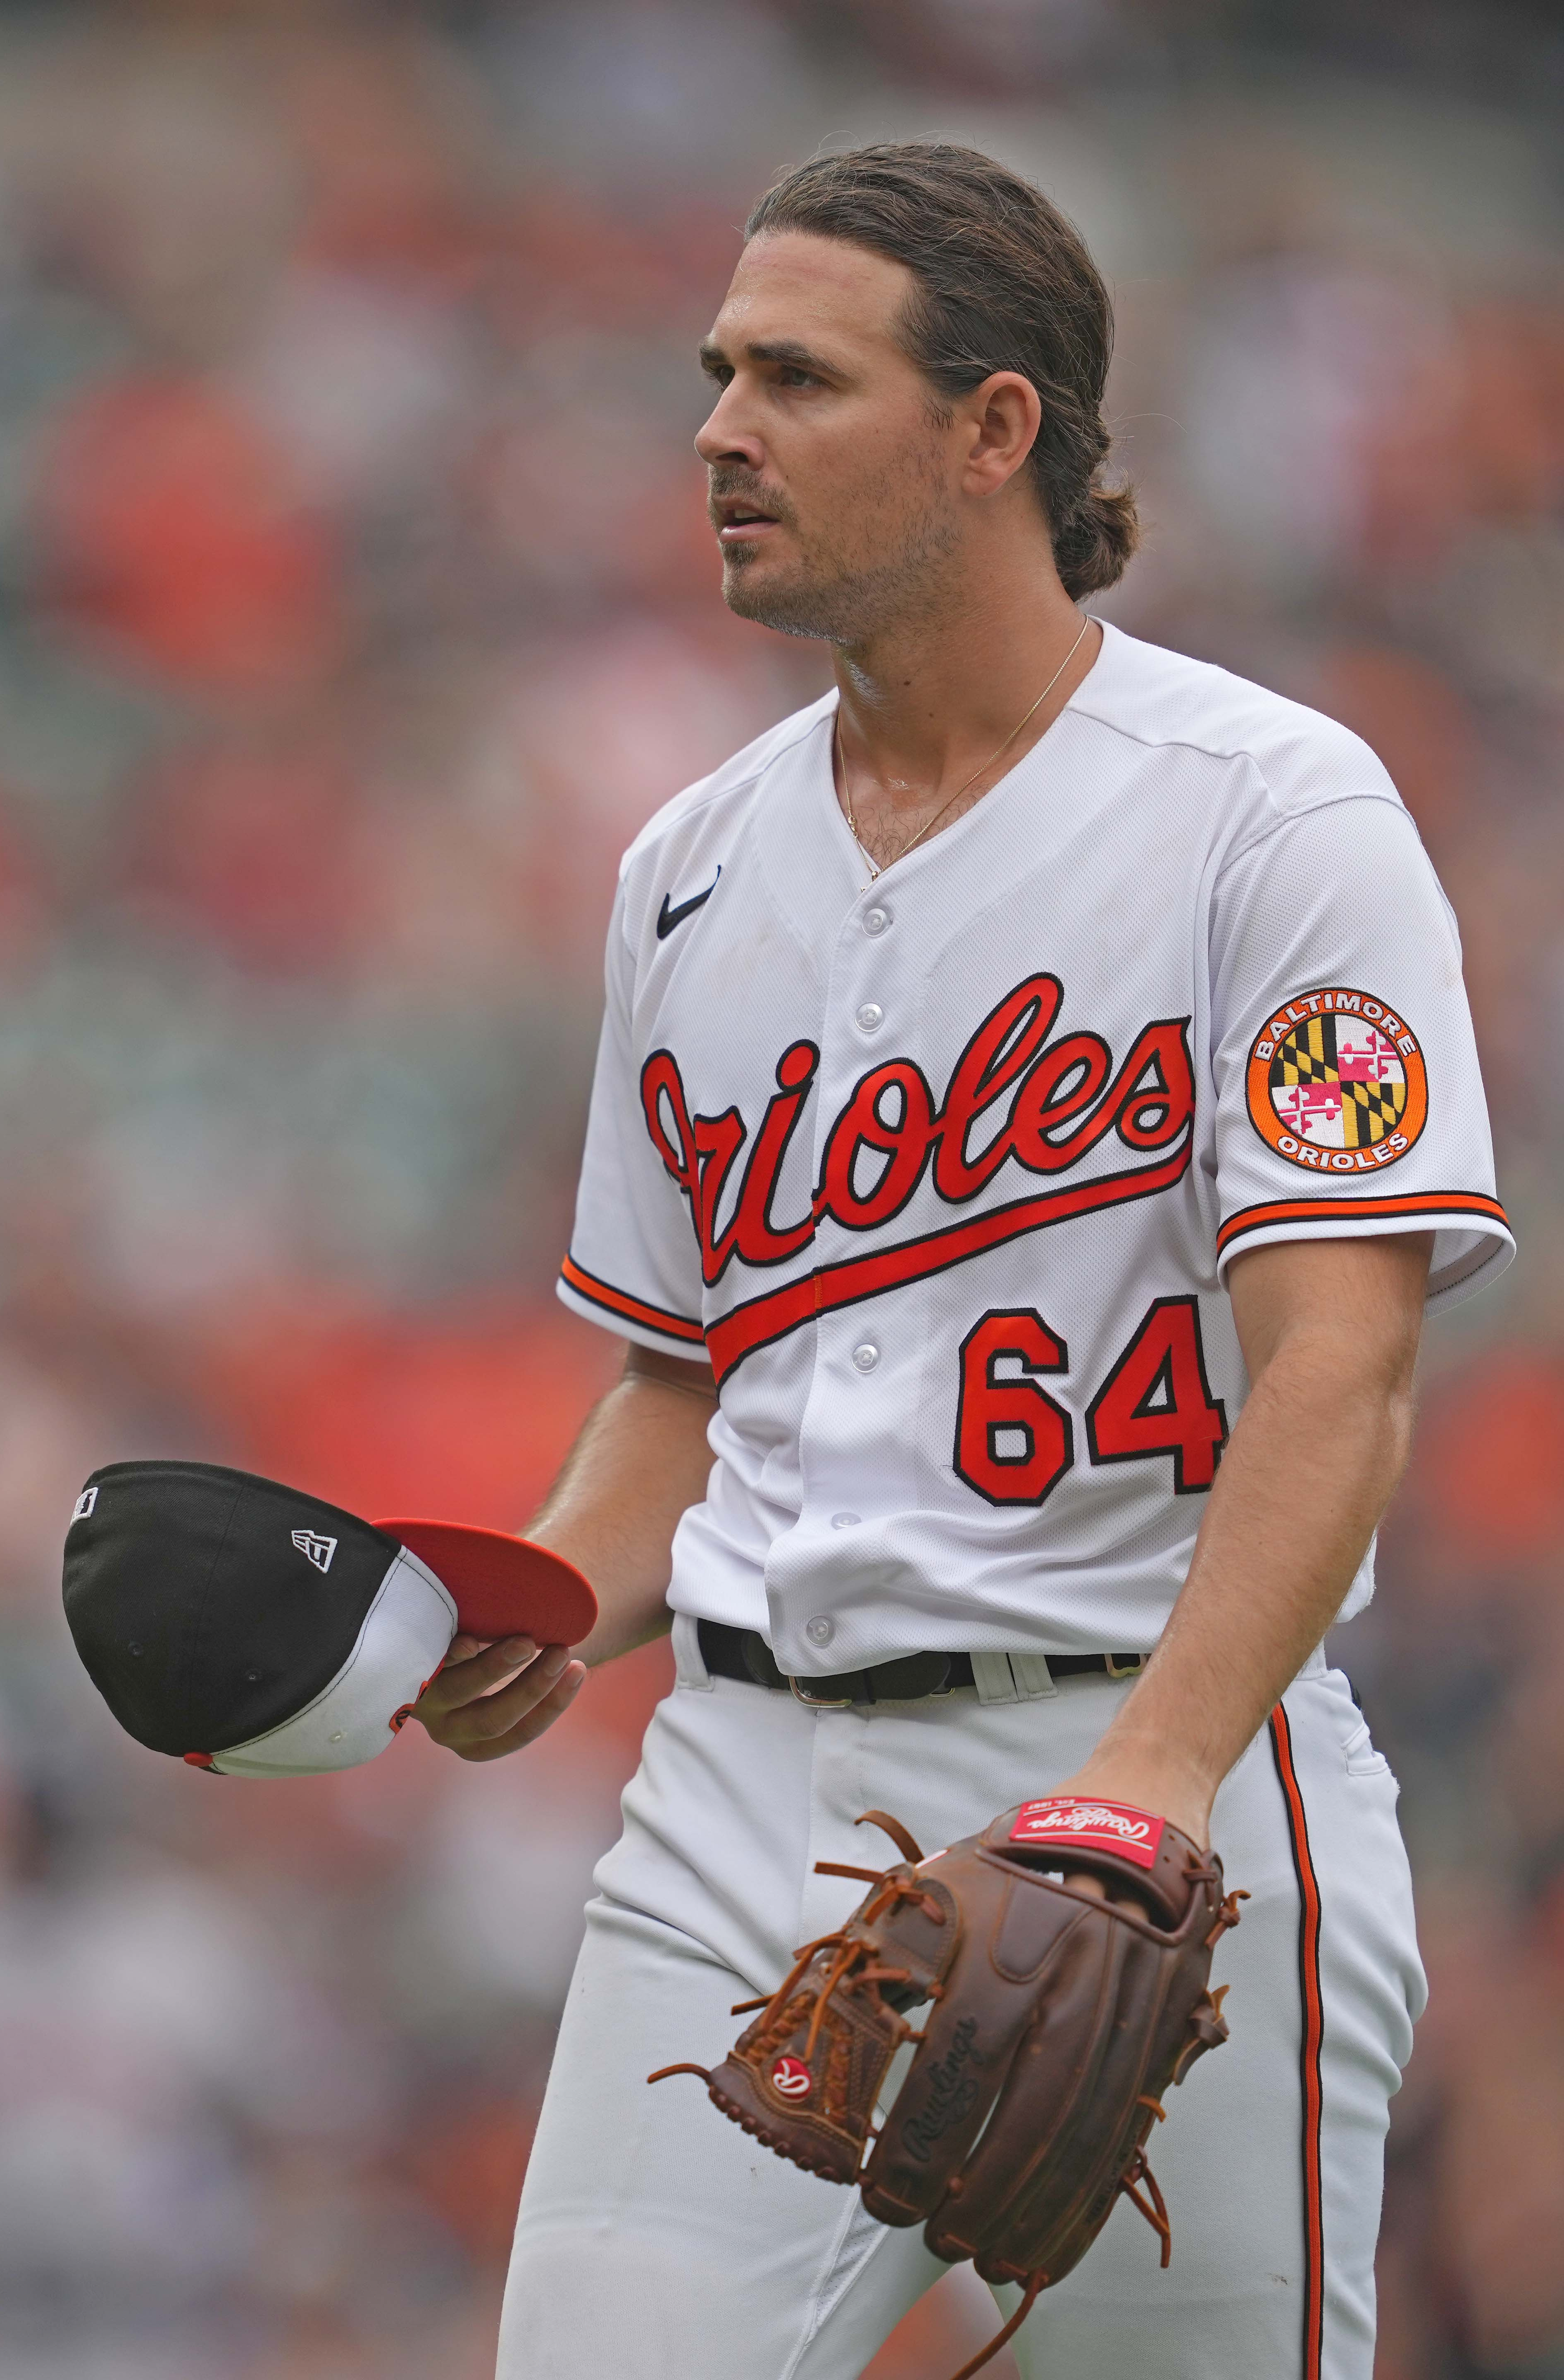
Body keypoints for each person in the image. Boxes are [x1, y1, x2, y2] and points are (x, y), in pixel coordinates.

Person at [413, 143, 1512, 2380]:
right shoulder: (688, 872)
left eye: (797, 379)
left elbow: (1342, 1372)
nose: (718, 430)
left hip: (1161, 1795)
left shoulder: (1274, 814)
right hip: (734, 1802)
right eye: (719, 372)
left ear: (998, 428)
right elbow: (686, 1388)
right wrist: (534, 1601)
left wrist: (1159, 1782)